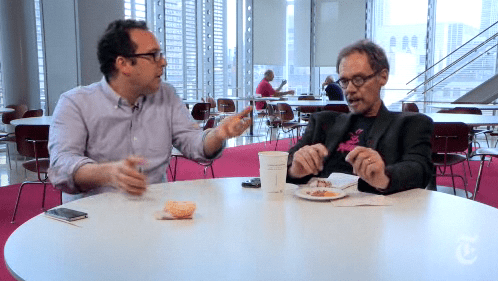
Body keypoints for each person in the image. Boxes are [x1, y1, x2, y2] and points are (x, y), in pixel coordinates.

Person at [48, 19, 252, 202]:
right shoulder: (75, 103)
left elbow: (193, 144)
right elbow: (61, 166)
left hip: (153, 211)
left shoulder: (166, 94)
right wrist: (107, 173)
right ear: (124, 64)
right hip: (93, 216)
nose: (163, 62)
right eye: (153, 55)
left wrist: (217, 135)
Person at [286, 39, 433, 195]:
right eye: (344, 81)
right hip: (319, 210)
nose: (349, 89)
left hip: (376, 214)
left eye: (358, 80)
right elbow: (283, 164)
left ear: (382, 77)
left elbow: (419, 169)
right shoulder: (323, 122)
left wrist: (383, 177)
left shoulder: (411, 124)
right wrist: (294, 170)